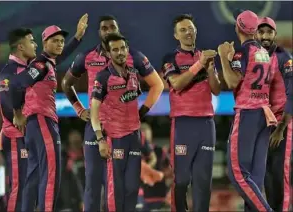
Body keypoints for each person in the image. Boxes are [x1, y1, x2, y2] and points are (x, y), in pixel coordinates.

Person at [9, 14, 88, 212]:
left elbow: (61, 55)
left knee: (34, 175)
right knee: (51, 174)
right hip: (42, 121)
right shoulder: (41, 65)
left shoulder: (47, 63)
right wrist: (18, 112)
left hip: (35, 125)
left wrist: (77, 37)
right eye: (55, 41)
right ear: (45, 42)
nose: (60, 44)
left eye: (62, 41)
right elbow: (17, 85)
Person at [90, 33, 164, 212]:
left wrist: (142, 113)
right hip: (114, 138)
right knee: (116, 188)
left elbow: (158, 85)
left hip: (134, 136)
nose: (120, 52)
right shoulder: (103, 77)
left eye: (122, 48)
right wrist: (100, 139)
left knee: (132, 188)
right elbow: (94, 111)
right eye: (115, 49)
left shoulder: (133, 72)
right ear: (108, 54)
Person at [161, 14, 220, 212]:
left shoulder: (205, 55)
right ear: (175, 35)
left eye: (191, 28)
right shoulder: (170, 58)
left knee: (203, 181)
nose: (188, 32)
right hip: (183, 123)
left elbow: (216, 90)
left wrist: (211, 69)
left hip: (206, 123)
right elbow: (176, 84)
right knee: (182, 179)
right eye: (183, 30)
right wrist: (200, 64)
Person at [218, 10, 276, 211]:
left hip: (247, 113)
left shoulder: (242, 52)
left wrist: (224, 57)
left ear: (238, 27)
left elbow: (233, 80)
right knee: (255, 177)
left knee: (238, 174)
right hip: (263, 113)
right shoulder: (265, 53)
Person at [61, 15, 119, 211]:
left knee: (117, 184)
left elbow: (154, 84)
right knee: (93, 183)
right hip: (95, 126)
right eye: (104, 28)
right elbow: (65, 83)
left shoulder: (131, 56)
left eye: (113, 27)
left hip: (122, 128)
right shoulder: (87, 57)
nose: (109, 30)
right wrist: (78, 108)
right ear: (99, 32)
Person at [255, 17, 293, 212]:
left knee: (279, 174)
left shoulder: (284, 57)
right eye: (261, 32)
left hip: (280, 125)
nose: (265, 36)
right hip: (259, 126)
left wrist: (281, 129)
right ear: (255, 34)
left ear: (275, 34)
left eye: (269, 32)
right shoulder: (252, 55)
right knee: (265, 176)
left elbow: (292, 93)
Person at [0, 28, 37, 212]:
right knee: (19, 187)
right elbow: (8, 107)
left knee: (29, 187)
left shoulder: (29, 70)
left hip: (28, 137)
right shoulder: (8, 73)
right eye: (31, 40)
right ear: (21, 46)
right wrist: (21, 118)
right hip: (15, 137)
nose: (35, 44)